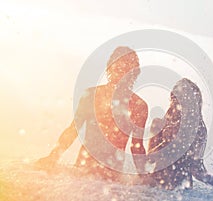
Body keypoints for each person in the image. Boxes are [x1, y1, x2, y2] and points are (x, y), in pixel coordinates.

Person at [36, 47, 148, 181]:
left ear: (133, 73)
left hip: (101, 175)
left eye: (125, 68)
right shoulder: (91, 96)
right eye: (119, 67)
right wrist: (53, 157)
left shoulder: (138, 106)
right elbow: (73, 130)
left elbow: (136, 148)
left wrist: (144, 176)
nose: (121, 72)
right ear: (110, 68)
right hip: (94, 173)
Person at [146, 78, 213, 190]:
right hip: (155, 184)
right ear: (172, 98)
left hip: (182, 188)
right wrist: (169, 144)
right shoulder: (158, 124)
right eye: (178, 98)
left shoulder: (198, 130)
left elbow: (196, 167)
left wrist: (210, 179)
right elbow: (149, 160)